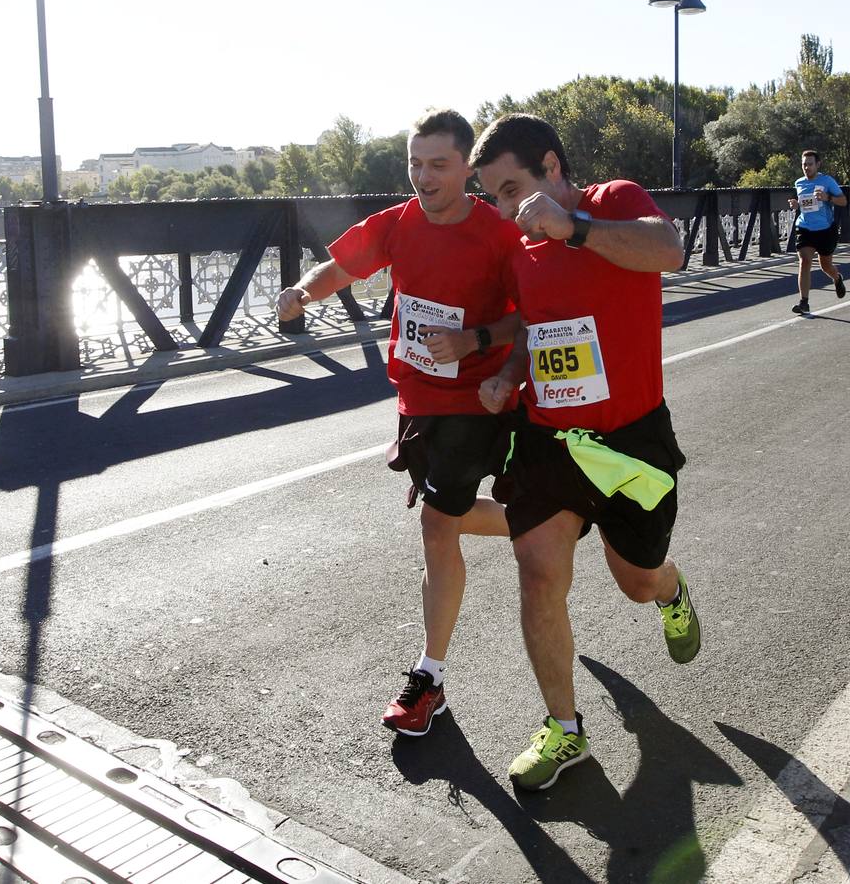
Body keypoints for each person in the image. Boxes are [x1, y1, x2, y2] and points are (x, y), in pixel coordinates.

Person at [468, 113, 700, 791]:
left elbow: (670, 249)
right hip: (550, 441)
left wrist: (578, 230)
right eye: (495, 198)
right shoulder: (517, 250)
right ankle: (565, 730)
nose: (507, 210)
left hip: (632, 441)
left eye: (512, 189)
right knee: (537, 571)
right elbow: (530, 328)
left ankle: (670, 587)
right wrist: (510, 375)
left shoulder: (613, 202)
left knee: (636, 580)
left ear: (552, 167)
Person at [276, 108, 524, 737]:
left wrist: (475, 341)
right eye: (415, 163)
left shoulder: (499, 232)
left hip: (478, 400)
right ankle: (541, 525)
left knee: (438, 527)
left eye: (438, 164)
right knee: (450, 519)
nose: (423, 176)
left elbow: (534, 317)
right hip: (418, 401)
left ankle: (429, 678)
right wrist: (303, 292)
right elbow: (340, 268)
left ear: (468, 167)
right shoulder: (398, 223)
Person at [785, 150, 848, 314]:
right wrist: (795, 205)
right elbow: (802, 203)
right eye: (804, 164)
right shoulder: (799, 183)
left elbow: (843, 201)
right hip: (805, 228)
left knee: (825, 265)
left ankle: (837, 278)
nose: (807, 167)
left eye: (810, 164)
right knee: (805, 261)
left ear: (817, 164)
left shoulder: (827, 181)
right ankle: (804, 302)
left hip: (825, 229)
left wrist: (828, 198)